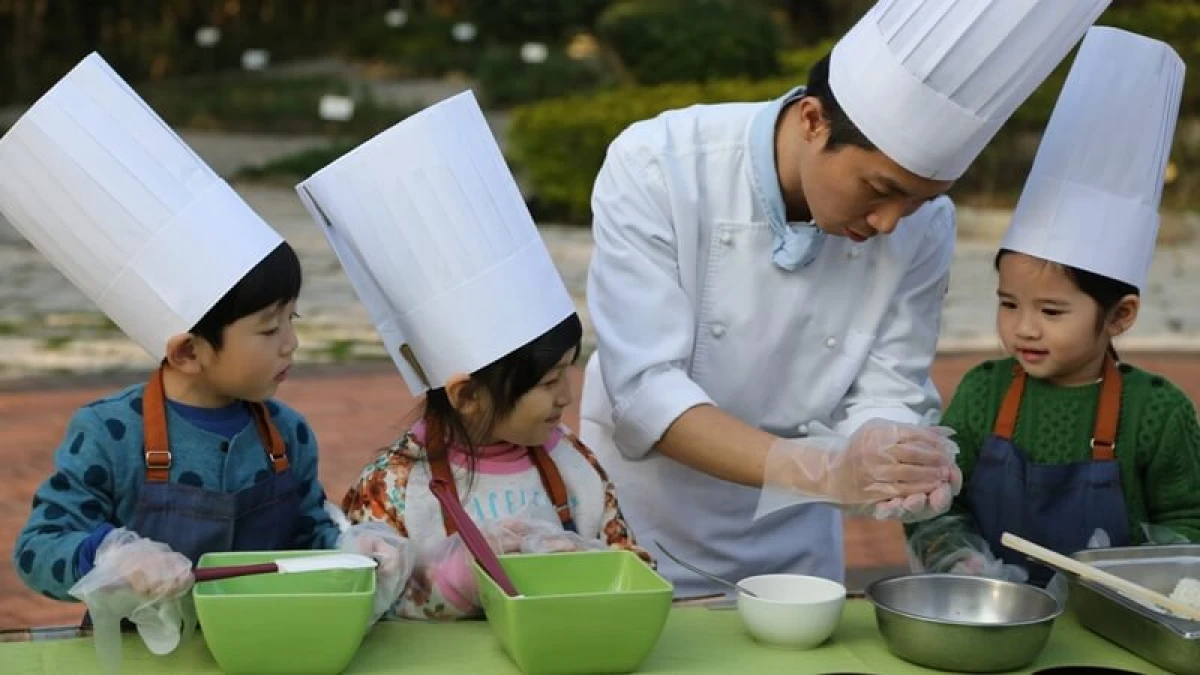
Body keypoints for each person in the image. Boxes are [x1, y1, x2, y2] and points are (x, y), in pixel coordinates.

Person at [578, 0, 1112, 597]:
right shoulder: (657, 164)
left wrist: (892, 454)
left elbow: (891, 387)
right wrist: (825, 469)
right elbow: (645, 391)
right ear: (812, 121)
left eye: (917, 201)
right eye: (880, 189)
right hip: (641, 529)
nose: (889, 222)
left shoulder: (925, 224)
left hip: (795, 551)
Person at [2, 54, 410, 658]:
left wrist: (350, 549)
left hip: (260, 653)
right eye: (270, 330)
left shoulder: (286, 435)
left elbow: (307, 535)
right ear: (189, 351)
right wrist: (109, 555)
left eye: (290, 321)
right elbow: (37, 549)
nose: (292, 344)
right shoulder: (110, 433)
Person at [296, 91, 649, 621]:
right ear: (465, 394)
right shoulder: (393, 486)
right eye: (548, 380)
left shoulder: (573, 465)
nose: (567, 395)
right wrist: (460, 575)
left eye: (568, 371)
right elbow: (359, 601)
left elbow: (624, 559)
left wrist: (610, 568)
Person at [907, 27, 1200, 587]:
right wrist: (958, 559)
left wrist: (1135, 565)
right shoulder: (982, 393)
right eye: (1009, 303)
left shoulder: (1160, 414)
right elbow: (940, 507)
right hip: (992, 613)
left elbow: (1190, 522)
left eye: (1052, 311)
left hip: (1118, 622)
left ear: (1120, 316)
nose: (1023, 328)